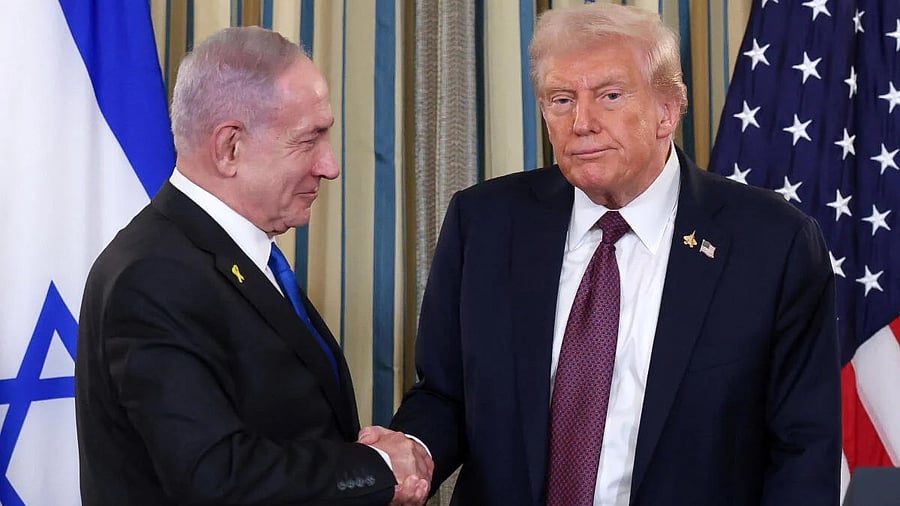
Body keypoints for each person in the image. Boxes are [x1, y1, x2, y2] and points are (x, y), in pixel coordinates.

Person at [384, 3, 841, 505]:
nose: (582, 122)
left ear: (668, 109)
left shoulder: (771, 244)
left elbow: (804, 448)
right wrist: (414, 449)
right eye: (560, 99)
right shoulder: (485, 223)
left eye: (610, 95)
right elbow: (445, 395)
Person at [75, 26, 431, 506]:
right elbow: (216, 477)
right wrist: (379, 468)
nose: (330, 166)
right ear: (230, 149)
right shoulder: (154, 276)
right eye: (309, 140)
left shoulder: (232, 253)